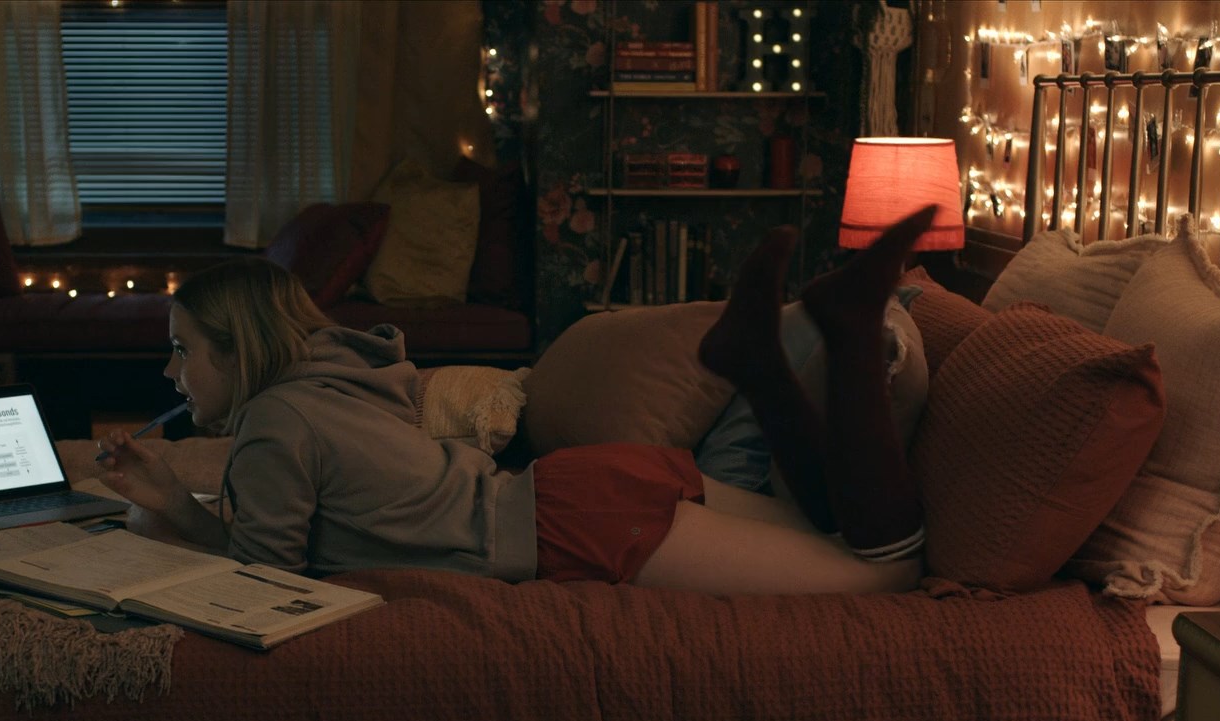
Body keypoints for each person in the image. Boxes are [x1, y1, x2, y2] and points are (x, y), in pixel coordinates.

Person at [96, 207, 938, 595]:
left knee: (888, 576)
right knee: (831, 535)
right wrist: (174, 496)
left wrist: (178, 515)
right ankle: (762, 364)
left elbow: (262, 582)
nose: (171, 372)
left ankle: (840, 334)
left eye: (184, 349)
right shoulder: (339, 379)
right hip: (583, 486)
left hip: (574, 527)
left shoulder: (275, 421)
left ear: (238, 350)